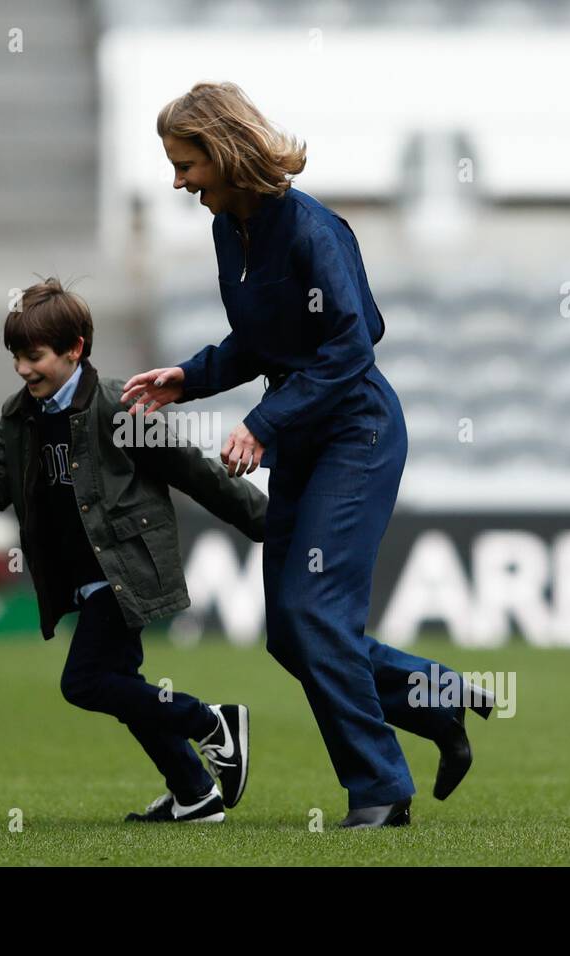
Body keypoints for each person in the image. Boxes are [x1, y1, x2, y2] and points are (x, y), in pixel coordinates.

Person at [121, 82, 494, 830]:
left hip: (355, 435)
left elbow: (355, 343)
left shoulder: (314, 229)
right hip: (303, 436)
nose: (179, 181)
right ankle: (436, 695)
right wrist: (190, 379)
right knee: (291, 632)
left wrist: (262, 422)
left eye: (186, 163)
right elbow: (261, 342)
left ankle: (382, 792)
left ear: (224, 152)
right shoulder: (233, 228)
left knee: (311, 610)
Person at [0, 277, 268, 823]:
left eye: (34, 356)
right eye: (16, 357)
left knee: (85, 682)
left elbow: (197, 472)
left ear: (75, 350)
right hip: (83, 578)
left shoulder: (120, 406)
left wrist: (272, 525)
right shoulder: (21, 412)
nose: (23, 368)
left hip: (126, 572)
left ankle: (211, 723)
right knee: (122, 686)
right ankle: (195, 793)